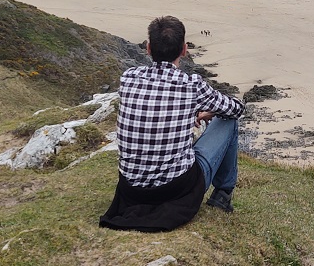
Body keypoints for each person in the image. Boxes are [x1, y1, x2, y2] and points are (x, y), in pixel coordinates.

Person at [99, 16, 244, 232]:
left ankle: (222, 195)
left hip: (132, 189)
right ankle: (223, 195)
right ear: (184, 50)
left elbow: (154, 105)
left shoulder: (128, 77)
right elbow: (237, 109)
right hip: (176, 190)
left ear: (148, 48)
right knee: (228, 121)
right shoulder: (191, 85)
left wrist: (191, 113)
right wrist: (208, 111)